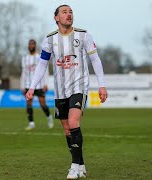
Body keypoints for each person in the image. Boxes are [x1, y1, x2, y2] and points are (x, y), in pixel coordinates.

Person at [25, 5, 108, 179]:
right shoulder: (49, 40)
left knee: (73, 121)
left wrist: (102, 85)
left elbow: (95, 59)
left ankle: (74, 166)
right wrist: (32, 87)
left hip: (79, 87)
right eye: (64, 12)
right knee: (67, 130)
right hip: (60, 90)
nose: (69, 14)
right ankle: (82, 165)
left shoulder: (83, 35)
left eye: (70, 12)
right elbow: (41, 65)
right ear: (56, 18)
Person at [21, 39, 54, 130]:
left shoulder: (39, 57)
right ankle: (31, 123)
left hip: (39, 84)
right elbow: (23, 72)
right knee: (28, 104)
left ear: (35, 46)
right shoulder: (25, 58)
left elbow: (45, 70)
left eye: (33, 44)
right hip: (28, 84)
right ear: (28, 46)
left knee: (42, 104)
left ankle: (49, 117)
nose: (31, 46)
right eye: (30, 44)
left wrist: (46, 84)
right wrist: (22, 85)